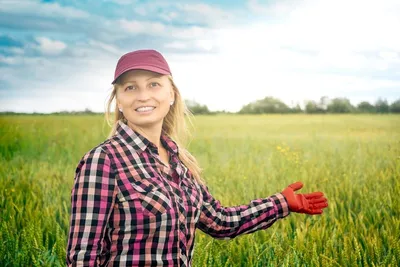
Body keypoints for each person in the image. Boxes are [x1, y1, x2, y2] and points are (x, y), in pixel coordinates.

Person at [66, 49, 329, 266]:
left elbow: (221, 222)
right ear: (119, 101)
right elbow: (82, 258)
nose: (143, 96)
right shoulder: (103, 161)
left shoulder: (179, 164)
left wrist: (281, 203)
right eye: (130, 88)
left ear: (171, 94)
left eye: (154, 84)